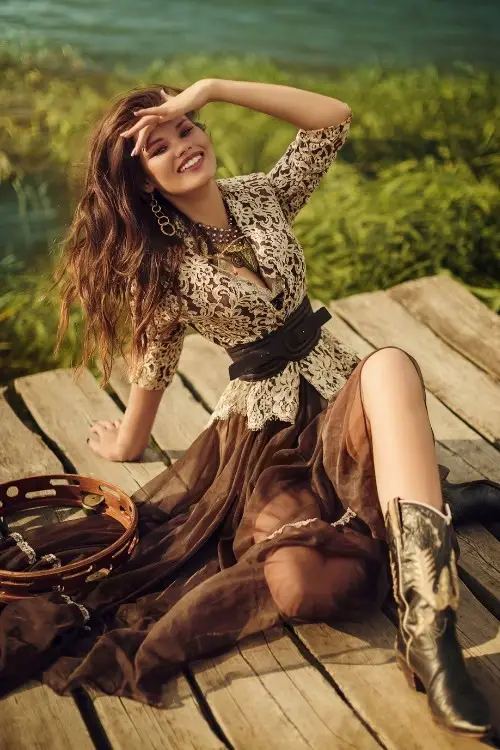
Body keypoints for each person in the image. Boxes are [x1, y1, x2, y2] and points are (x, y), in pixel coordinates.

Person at [0, 78, 494, 736]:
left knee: (391, 366)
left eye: (187, 126)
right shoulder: (163, 265)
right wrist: (126, 442)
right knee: (294, 583)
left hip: (344, 394)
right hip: (267, 435)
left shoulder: (263, 194)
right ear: (142, 180)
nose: (183, 143)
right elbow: (155, 361)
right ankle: (428, 502)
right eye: (158, 145)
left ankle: (431, 636)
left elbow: (333, 119)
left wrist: (214, 87)